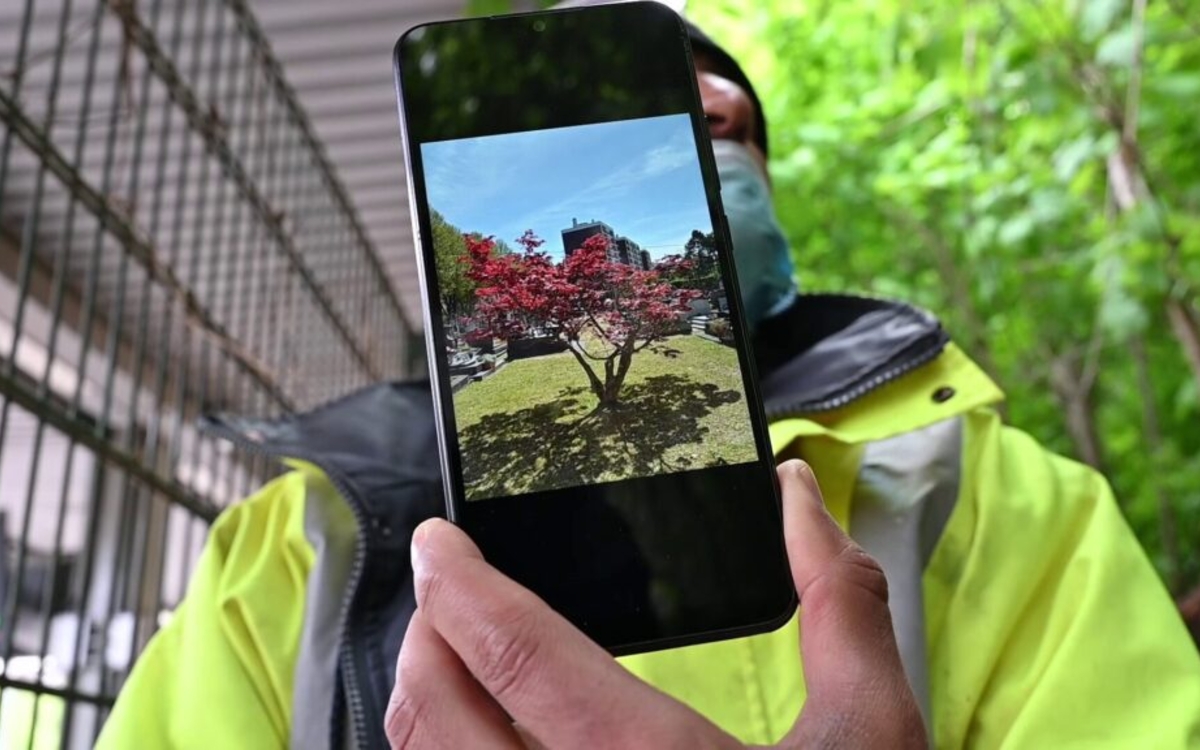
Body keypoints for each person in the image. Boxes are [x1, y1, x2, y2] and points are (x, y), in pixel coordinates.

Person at [97, 6, 1200, 750]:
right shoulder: (303, 544)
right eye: (671, 102)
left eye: (730, 109)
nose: (714, 104)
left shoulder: (1002, 495)